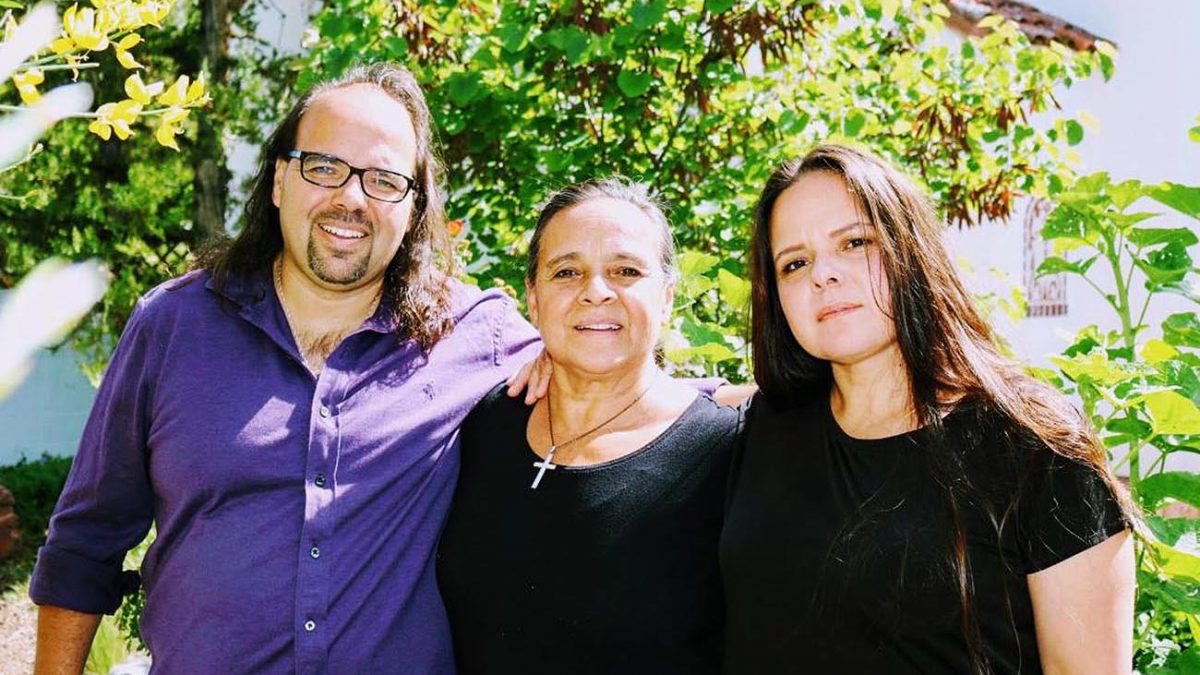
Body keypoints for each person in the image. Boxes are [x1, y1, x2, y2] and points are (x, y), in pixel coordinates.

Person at [29, 63, 540, 673]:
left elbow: (627, 389)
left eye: (382, 180)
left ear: (413, 209)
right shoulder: (172, 326)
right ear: (278, 181)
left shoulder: (479, 336)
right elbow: (85, 544)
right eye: (324, 167)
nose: (350, 199)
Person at [721, 144, 1135, 674]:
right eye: (794, 263)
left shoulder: (1035, 444)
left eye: (854, 243)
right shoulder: (759, 432)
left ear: (910, 251)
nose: (823, 275)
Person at [437, 178, 740, 674]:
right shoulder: (486, 423)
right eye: (567, 272)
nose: (595, 292)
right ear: (533, 298)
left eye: (625, 270)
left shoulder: (727, 455)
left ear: (665, 297)